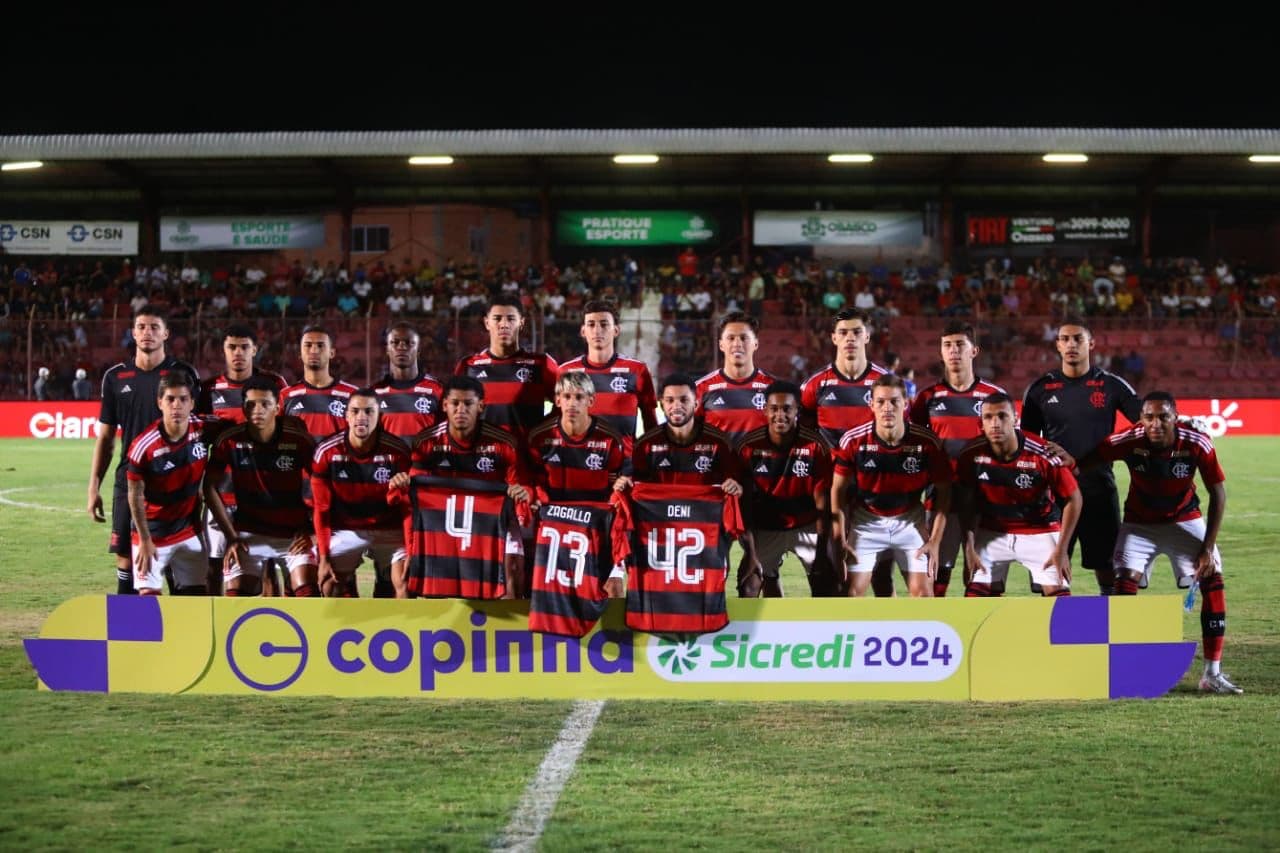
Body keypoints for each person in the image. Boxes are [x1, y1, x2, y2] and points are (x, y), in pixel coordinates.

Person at [1072, 392, 1240, 694]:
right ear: (1141, 419)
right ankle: (1120, 669)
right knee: (1122, 584)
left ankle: (1211, 674)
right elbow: (1083, 463)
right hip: (1140, 525)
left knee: (1213, 577)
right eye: (1149, 417)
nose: (1156, 423)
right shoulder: (1127, 440)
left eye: (1163, 416)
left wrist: (1206, 548)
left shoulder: (1196, 441)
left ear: (1176, 417)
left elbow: (1219, 494)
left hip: (1184, 521)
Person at [1021, 317, 1141, 594]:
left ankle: (1109, 630)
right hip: (1053, 494)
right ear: (1058, 345)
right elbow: (1027, 441)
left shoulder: (1111, 385)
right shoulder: (1040, 389)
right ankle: (1056, 633)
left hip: (1098, 488)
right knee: (1050, 571)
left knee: (1107, 569)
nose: (1071, 344)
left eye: (1078, 339)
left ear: (1092, 344)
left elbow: (1144, 423)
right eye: (1065, 339)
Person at [87, 305, 200, 594]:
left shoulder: (183, 373)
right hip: (130, 479)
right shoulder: (115, 377)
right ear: (133, 333)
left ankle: (181, 635)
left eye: (153, 327)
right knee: (128, 560)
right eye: (141, 327)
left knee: (180, 560)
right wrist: (93, 487)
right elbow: (106, 437)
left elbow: (199, 427)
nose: (147, 333)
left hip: (177, 480)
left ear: (166, 333)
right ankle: (129, 634)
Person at [388, 375, 530, 597]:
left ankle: (505, 629)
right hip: (442, 523)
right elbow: (417, 503)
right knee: (405, 574)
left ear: (481, 406)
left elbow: (519, 489)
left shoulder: (504, 443)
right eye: (455, 403)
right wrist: (400, 486)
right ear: (445, 405)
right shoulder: (426, 442)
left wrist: (521, 493)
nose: (460, 410)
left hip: (491, 521)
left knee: (513, 571)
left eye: (468, 404)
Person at [908, 320, 1006, 597]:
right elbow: (914, 445)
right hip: (941, 498)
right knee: (938, 569)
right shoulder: (927, 398)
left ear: (974, 350)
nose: (953, 351)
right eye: (947, 345)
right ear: (940, 352)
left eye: (960, 345)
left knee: (983, 573)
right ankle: (937, 631)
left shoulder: (994, 397)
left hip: (984, 496)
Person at [831, 375, 951, 597]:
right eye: (881, 402)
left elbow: (944, 491)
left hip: (910, 522)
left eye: (894, 401)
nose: (887, 408)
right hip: (867, 522)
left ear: (906, 404)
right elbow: (836, 491)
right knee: (851, 595)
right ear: (872, 404)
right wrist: (840, 537)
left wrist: (934, 541)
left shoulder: (927, 442)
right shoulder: (854, 441)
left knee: (924, 596)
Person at [955, 393, 1080, 597]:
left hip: (1041, 530)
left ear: (1015, 419)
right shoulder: (970, 455)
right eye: (988, 417)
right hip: (992, 531)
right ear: (981, 423)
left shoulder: (1043, 452)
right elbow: (966, 503)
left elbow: (1074, 498)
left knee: (1060, 601)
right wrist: (969, 547)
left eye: (1002, 416)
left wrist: (1061, 550)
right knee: (975, 597)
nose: (995, 423)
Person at [204, 376, 319, 597]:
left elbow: (323, 485)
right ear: (243, 409)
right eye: (251, 405)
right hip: (248, 534)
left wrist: (313, 530)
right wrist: (231, 536)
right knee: (235, 598)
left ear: (277, 408)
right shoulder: (229, 441)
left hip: (292, 534)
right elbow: (209, 487)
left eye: (265, 404)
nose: (258, 410)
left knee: (308, 593)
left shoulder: (298, 439)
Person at [196, 324, 289, 593]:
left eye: (244, 347)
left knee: (268, 563)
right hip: (222, 492)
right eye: (232, 347)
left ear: (254, 350)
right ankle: (212, 621)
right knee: (213, 562)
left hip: (265, 491)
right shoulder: (208, 390)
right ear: (223, 351)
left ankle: (277, 621)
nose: (238, 353)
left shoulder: (274, 384)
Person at [737, 381, 834, 598]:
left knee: (826, 581)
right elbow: (744, 507)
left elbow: (823, 503)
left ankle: (826, 631)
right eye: (774, 409)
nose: (780, 415)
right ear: (765, 410)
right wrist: (751, 553)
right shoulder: (748, 447)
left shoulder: (815, 446)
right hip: (767, 527)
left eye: (787, 409)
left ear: (797, 410)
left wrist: (821, 551)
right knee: (749, 585)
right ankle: (762, 631)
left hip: (806, 524)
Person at [310, 388, 411, 597]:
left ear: (379, 416)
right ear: (346, 416)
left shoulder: (398, 452)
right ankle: (343, 628)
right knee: (327, 581)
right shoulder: (327, 452)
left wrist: (411, 551)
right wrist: (324, 557)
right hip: (348, 529)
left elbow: (407, 508)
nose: (361, 417)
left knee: (405, 580)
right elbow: (321, 509)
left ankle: (396, 628)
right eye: (355, 411)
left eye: (368, 412)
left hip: (389, 529)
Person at [123, 372, 209, 595]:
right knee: (148, 605)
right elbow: (134, 494)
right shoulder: (144, 446)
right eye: (170, 399)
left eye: (183, 399)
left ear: (192, 403)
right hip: (153, 534)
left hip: (188, 530)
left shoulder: (203, 429)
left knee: (195, 599)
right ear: (160, 402)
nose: (176, 405)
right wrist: (144, 540)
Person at [557, 299, 658, 454]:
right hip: (579, 465)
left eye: (604, 324)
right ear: (583, 331)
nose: (597, 330)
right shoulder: (566, 371)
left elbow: (651, 424)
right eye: (591, 324)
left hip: (624, 470)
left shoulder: (637, 370)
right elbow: (556, 424)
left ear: (616, 330)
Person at [454, 298, 558, 437]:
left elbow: (563, 406)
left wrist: (541, 434)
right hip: (481, 455)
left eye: (511, 319)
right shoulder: (468, 366)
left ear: (521, 323)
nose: (504, 324)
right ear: (486, 323)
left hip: (526, 456)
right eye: (497, 318)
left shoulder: (542, 364)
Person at [632, 373, 740, 490]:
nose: (677, 406)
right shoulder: (645, 444)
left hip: (702, 508)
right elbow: (635, 486)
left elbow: (735, 483)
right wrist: (625, 482)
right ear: (662, 404)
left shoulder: (719, 442)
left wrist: (735, 486)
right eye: (670, 400)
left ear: (696, 404)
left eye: (684, 400)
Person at [695, 311, 776, 448]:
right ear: (721, 345)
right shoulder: (701, 389)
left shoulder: (773, 388)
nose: (737, 344)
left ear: (756, 344)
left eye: (744, 338)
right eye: (731, 338)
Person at [280, 325, 359, 440]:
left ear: (332, 353)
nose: (314, 350)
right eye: (308, 345)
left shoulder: (353, 395)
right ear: (300, 354)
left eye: (320, 345)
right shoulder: (285, 396)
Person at [372, 322, 443, 440]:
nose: (402, 347)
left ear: (418, 350)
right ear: (387, 349)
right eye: (395, 342)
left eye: (409, 343)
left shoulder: (438, 390)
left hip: (426, 459)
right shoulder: (374, 393)